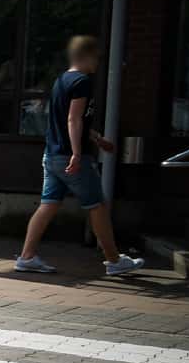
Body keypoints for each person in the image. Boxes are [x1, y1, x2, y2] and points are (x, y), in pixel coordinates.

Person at [14, 36, 144, 277]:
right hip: (70, 157)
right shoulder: (82, 82)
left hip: (52, 155)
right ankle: (114, 260)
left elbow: (70, 120)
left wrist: (96, 139)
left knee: (48, 205)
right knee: (97, 206)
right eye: (97, 58)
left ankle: (26, 257)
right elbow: (73, 119)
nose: (98, 63)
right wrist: (76, 153)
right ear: (86, 56)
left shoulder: (61, 80)